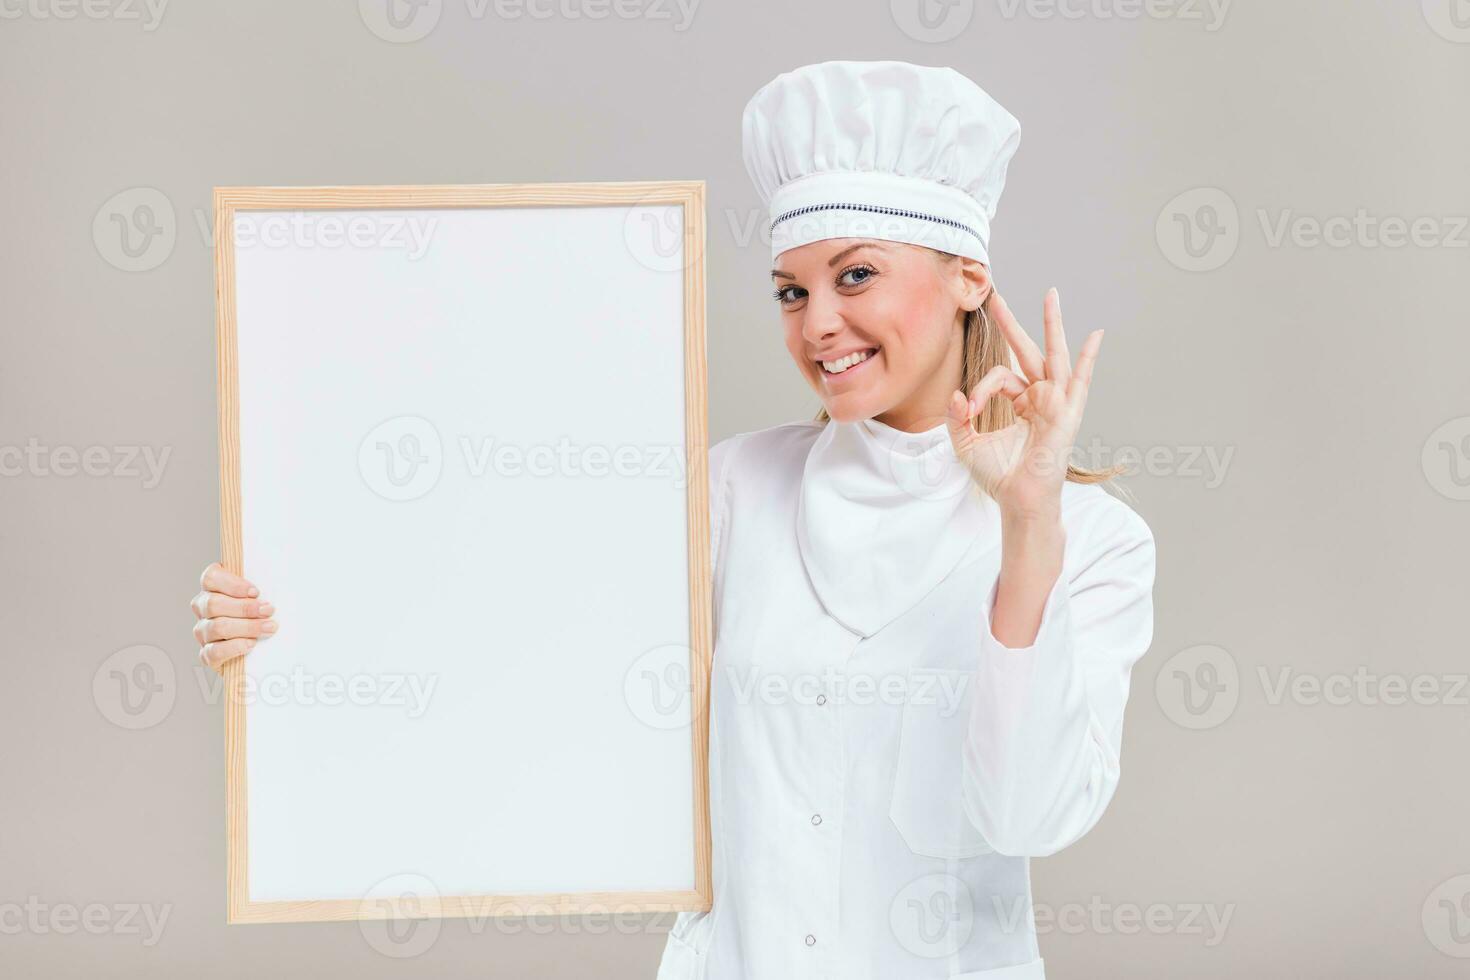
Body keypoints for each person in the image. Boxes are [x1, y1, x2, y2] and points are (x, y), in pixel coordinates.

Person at [190, 59, 1156, 980]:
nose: (817, 322)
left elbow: (1030, 817)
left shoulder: (1095, 539)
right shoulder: (732, 491)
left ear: (968, 278)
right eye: (792, 290)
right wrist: (288, 635)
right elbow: (507, 642)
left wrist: (1028, 527)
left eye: (855, 275)